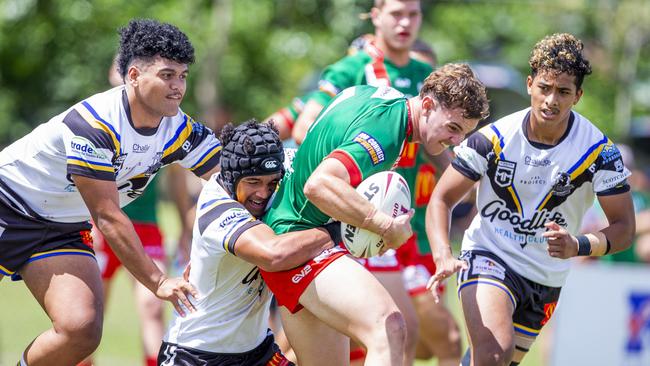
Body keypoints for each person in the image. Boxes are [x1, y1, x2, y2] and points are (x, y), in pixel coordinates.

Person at [0, 19, 222, 366]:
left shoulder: (178, 127)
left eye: (183, 76)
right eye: (167, 75)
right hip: (8, 204)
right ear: (133, 76)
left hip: (61, 227)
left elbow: (228, 176)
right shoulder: (96, 124)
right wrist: (159, 280)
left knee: (82, 329)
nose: (178, 86)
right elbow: (106, 215)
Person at [425, 33, 636, 366]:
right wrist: (442, 254)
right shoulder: (493, 139)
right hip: (488, 254)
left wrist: (578, 245)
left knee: (495, 361)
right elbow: (441, 199)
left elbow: (624, 228)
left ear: (577, 96)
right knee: (495, 352)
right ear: (529, 85)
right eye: (544, 88)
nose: (551, 100)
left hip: (545, 278)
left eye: (563, 92)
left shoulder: (598, 152)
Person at [262, 63, 489, 366]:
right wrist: (383, 225)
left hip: (296, 236)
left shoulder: (384, 99)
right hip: (299, 242)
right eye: (453, 128)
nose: (457, 141)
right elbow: (320, 184)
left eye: (464, 133)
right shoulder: (388, 132)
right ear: (427, 104)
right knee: (390, 327)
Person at [158, 120, 339, 366]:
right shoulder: (218, 208)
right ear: (231, 176)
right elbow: (273, 255)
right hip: (196, 355)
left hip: (257, 352)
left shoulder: (265, 185)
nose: (263, 193)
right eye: (253, 182)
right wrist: (338, 231)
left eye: (272, 183)